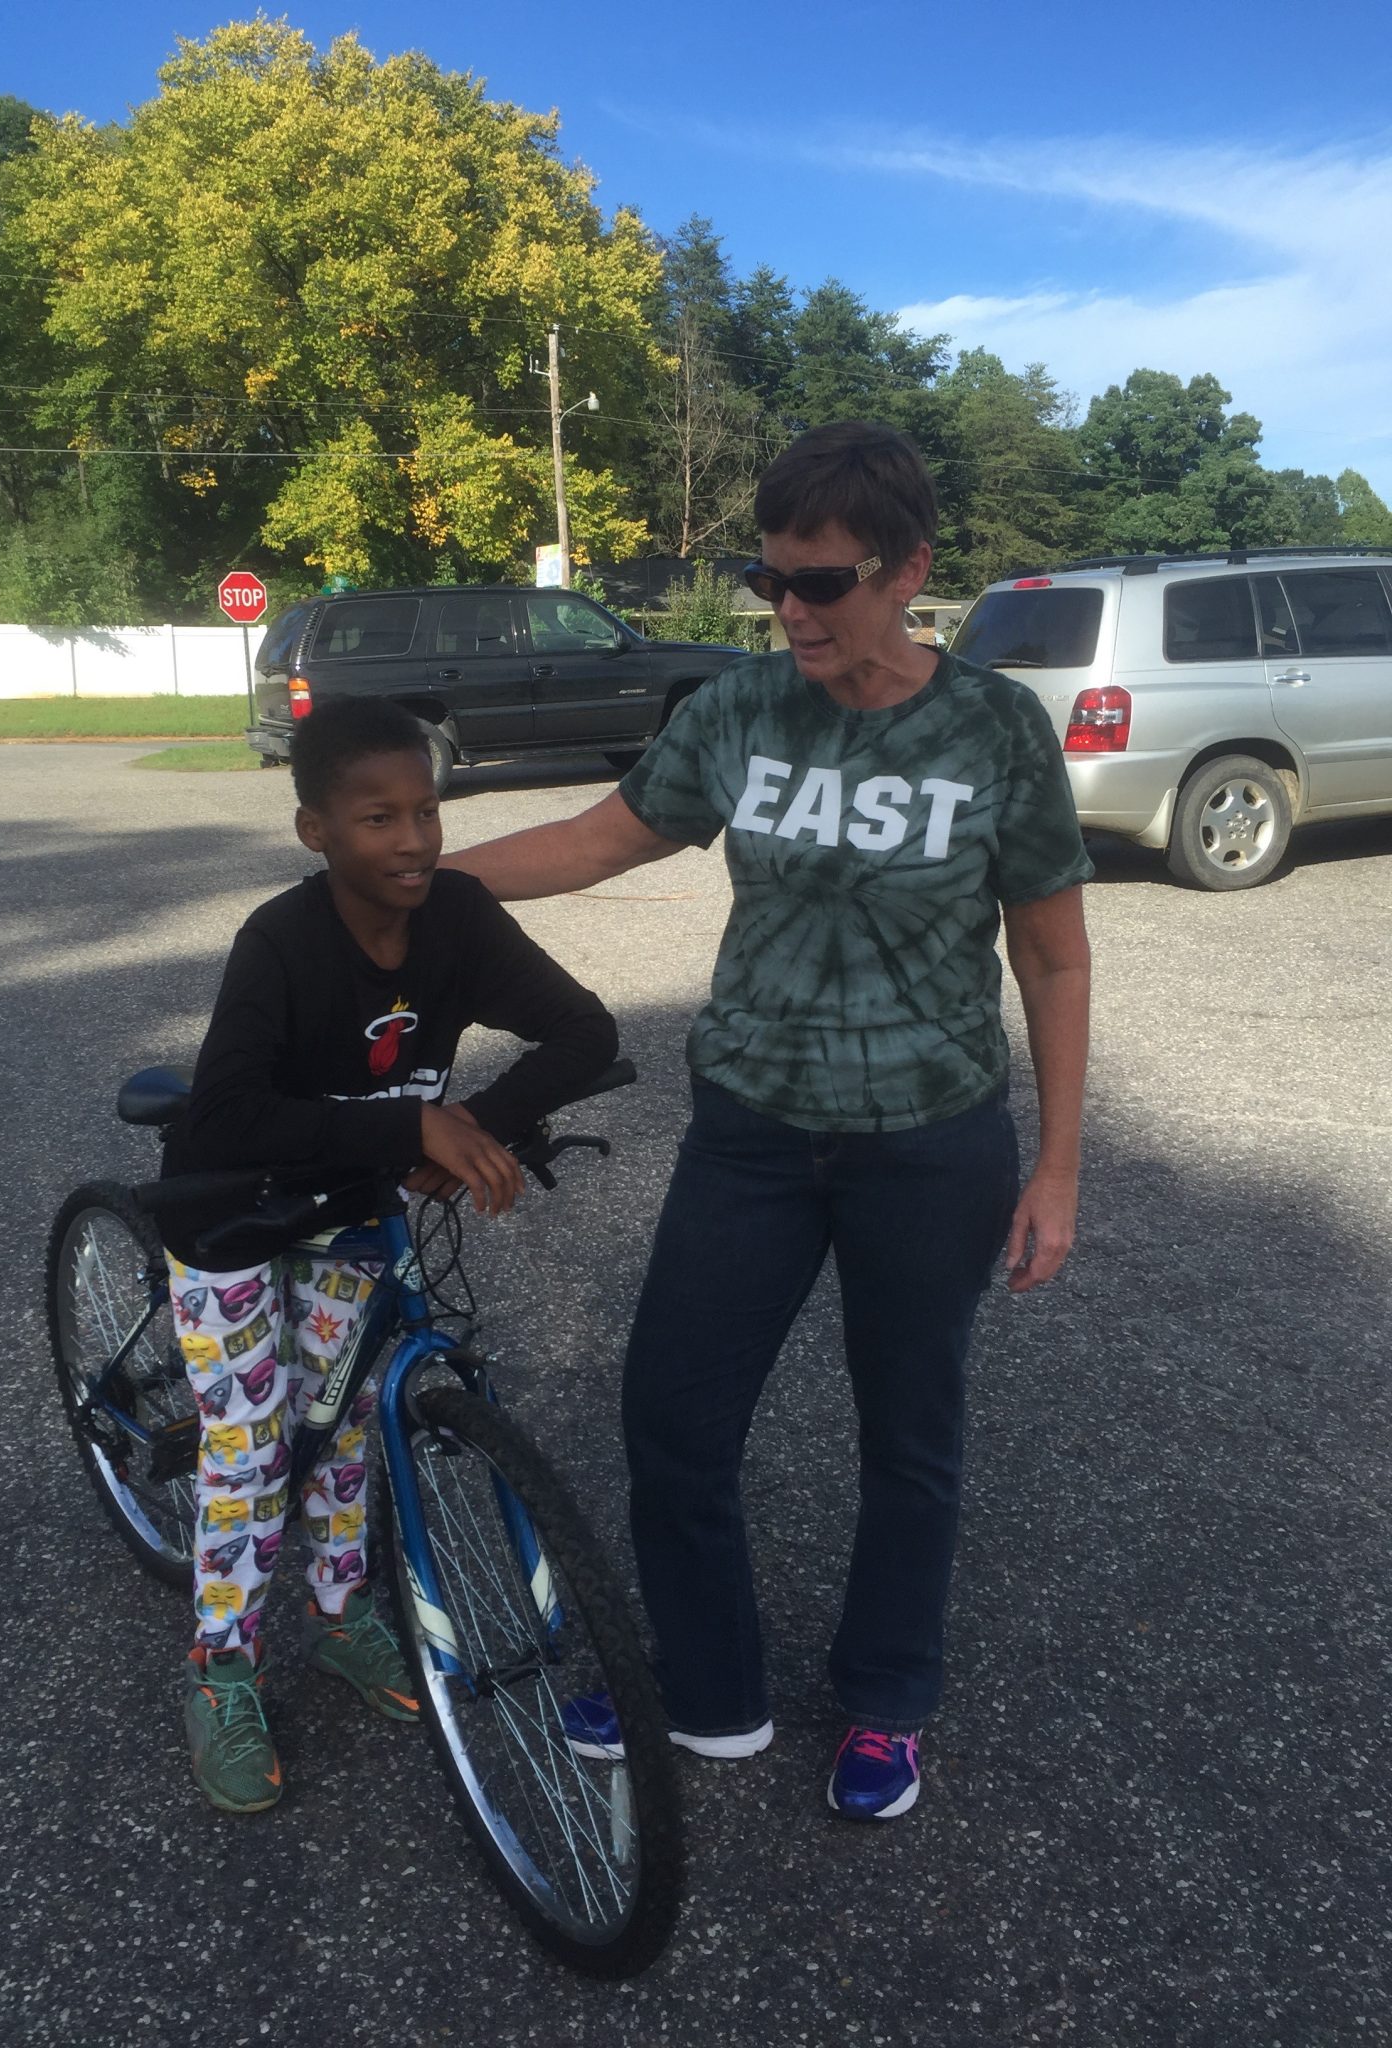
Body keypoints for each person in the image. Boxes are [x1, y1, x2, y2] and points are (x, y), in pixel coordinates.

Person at [442, 421, 1093, 1822]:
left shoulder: (993, 729)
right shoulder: (738, 709)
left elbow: (1052, 954)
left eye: (824, 582)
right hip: (751, 1129)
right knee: (673, 1416)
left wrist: (1057, 1167)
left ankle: (888, 1700)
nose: (790, 611)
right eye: (769, 580)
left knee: (909, 1432)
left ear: (911, 569)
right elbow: (600, 838)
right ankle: (708, 1686)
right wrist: (418, 882)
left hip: (931, 1138)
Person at [158, 696, 618, 1814]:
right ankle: (219, 1670)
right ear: (316, 828)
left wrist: (480, 1123)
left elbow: (585, 1032)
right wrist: (407, 1124)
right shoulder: (280, 940)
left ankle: (340, 1613)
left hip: (353, 1201)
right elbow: (223, 1113)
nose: (413, 838)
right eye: (377, 817)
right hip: (232, 1210)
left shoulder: (457, 916)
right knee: (254, 1444)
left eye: (426, 809)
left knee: (355, 1414)